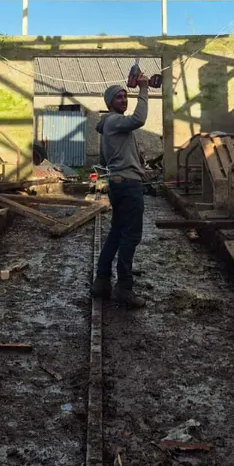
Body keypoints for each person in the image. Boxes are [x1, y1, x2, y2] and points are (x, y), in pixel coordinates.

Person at [91, 72, 149, 308]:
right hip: (128, 185)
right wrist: (144, 90)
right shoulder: (115, 120)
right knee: (131, 236)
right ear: (109, 103)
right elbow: (139, 119)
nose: (124, 100)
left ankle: (102, 281)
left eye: (126, 96)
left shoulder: (109, 127)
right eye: (119, 97)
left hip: (119, 182)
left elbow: (105, 159)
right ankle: (124, 287)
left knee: (116, 233)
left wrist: (134, 162)